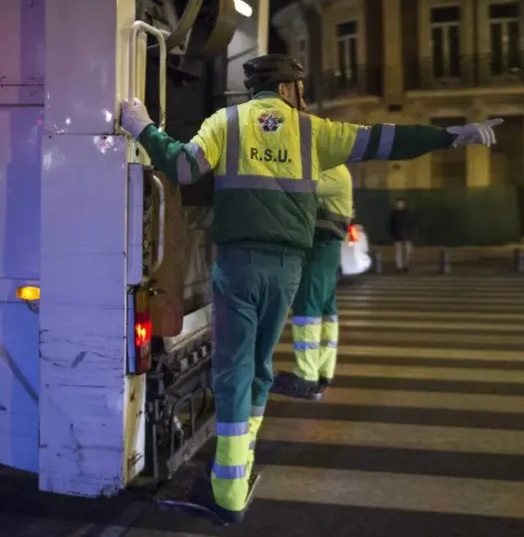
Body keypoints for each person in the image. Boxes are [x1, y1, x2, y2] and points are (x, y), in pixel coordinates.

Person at [118, 54, 501, 524]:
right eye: (300, 89)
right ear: (287, 89)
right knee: (259, 368)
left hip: (239, 266)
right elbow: (387, 140)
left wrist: (142, 128)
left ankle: (228, 492)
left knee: (234, 371)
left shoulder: (226, 122)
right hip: (287, 269)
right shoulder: (314, 131)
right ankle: (241, 464)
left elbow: (181, 167)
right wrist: (452, 136)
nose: (303, 97)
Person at [271, 165, 352, 401]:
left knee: (307, 307)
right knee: (326, 310)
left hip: (320, 247)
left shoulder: (334, 171)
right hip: (326, 248)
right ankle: (323, 370)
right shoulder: (335, 170)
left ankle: (305, 375)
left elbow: (300, 189)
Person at [389, 199, 414, 272]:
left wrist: (411, 235)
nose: (399, 205)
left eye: (400, 203)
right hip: (398, 236)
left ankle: (405, 265)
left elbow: (411, 225)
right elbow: (391, 225)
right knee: (399, 252)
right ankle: (399, 266)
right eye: (398, 204)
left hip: (406, 236)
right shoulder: (394, 214)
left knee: (406, 252)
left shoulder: (407, 213)